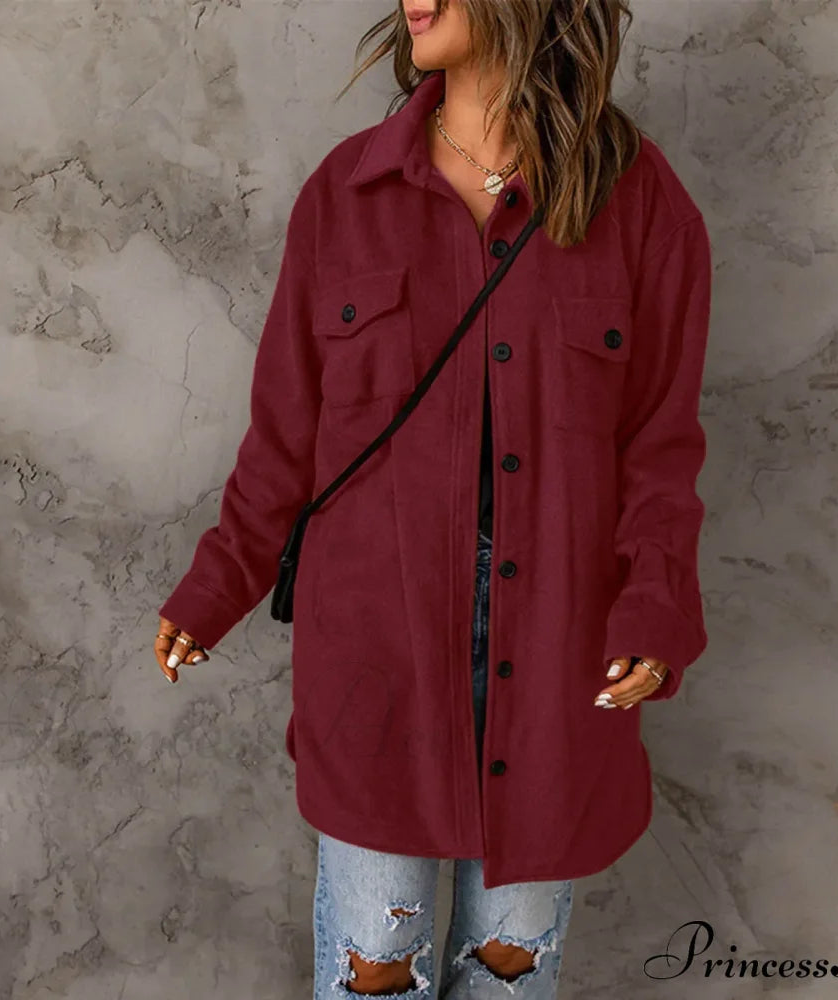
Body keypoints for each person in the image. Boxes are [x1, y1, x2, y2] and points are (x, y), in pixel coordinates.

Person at [153, 0, 712, 995]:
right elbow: (286, 437)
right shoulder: (345, 196)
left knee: (508, 979)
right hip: (378, 657)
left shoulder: (638, 202)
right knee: (374, 974)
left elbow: (659, 450)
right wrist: (215, 589)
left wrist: (655, 610)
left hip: (560, 658)